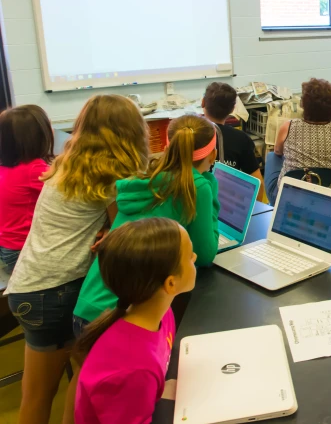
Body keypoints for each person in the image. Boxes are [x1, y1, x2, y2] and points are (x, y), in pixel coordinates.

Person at [6, 95, 149, 424]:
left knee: (74, 381)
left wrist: (104, 231)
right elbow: (125, 230)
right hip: (53, 292)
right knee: (43, 395)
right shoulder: (112, 176)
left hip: (30, 286)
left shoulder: (68, 163)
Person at [74, 114, 219, 331]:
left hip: (89, 307)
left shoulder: (144, 176)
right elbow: (206, 254)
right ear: (213, 154)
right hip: (120, 318)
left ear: (167, 145)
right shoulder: (198, 187)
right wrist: (211, 187)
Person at [74, 217, 196, 424]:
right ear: (171, 283)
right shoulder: (133, 371)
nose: (195, 257)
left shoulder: (163, 315)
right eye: (189, 257)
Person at [265, 78, 331, 203]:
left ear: (304, 104)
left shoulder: (288, 126)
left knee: (273, 155)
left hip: (289, 196)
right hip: (325, 197)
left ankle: (275, 205)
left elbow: (278, 151)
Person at [0, 105, 54, 274]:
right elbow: (67, 195)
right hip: (23, 249)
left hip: (7, 247)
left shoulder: (5, 167)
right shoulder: (34, 169)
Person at [202, 82, 263, 199]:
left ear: (203, 102)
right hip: (227, 201)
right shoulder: (241, 139)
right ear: (233, 109)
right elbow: (257, 182)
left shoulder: (191, 134)